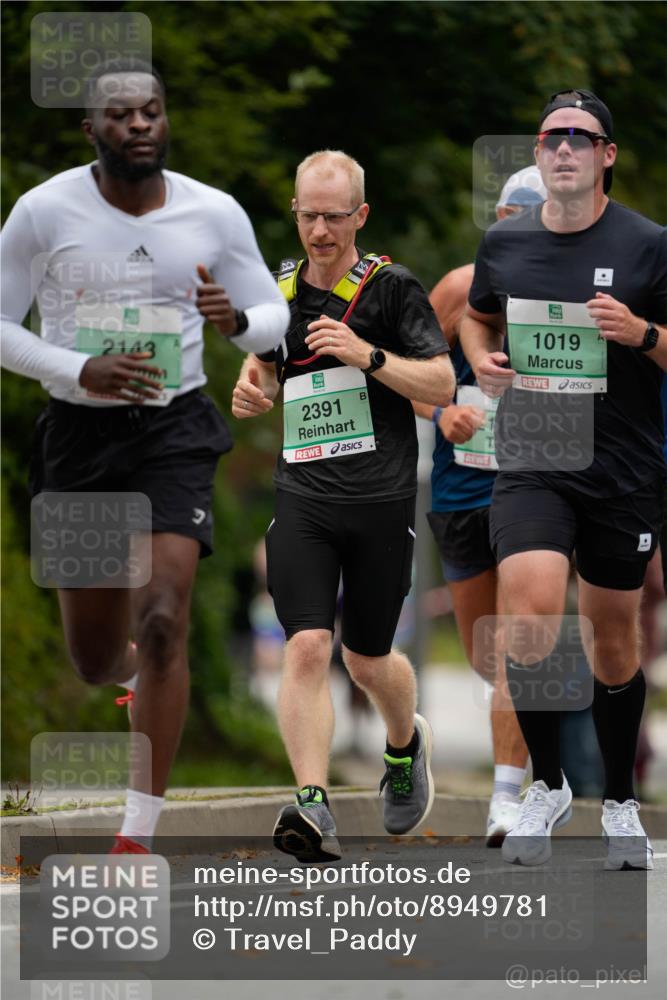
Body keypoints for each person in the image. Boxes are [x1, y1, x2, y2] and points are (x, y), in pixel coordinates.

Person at [0, 62, 289, 854]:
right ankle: (129, 683)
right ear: (89, 130)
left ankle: (138, 832)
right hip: (80, 435)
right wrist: (76, 369)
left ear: (166, 123)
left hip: (174, 432)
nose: (138, 125)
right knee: (96, 659)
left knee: (164, 618)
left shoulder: (213, 214)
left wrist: (236, 320)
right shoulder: (42, 211)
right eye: (121, 115)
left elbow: (273, 318)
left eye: (152, 112)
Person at [460, 89, 666, 869]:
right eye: (552, 138)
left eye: (581, 138)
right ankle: (543, 788)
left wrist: (642, 333)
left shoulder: (650, 245)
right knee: (532, 615)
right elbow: (477, 312)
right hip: (533, 455)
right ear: (538, 156)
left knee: (614, 640)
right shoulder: (505, 246)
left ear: (606, 155)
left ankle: (617, 801)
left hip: (620, 466)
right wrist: (481, 357)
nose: (565, 149)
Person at [232, 149, 455, 862]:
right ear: (293, 212)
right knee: (305, 644)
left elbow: (443, 384)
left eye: (333, 216)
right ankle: (311, 804)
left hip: (381, 499)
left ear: (359, 215)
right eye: (307, 215)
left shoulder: (392, 289)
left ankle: (402, 743)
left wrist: (367, 356)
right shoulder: (278, 287)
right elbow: (263, 363)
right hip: (304, 495)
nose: (320, 230)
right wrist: (252, 387)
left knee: (365, 658)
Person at [414, 167, 546, 847]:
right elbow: (411, 376)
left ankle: (508, 796)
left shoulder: (567, 296)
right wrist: (440, 411)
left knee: (515, 648)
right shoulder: (458, 289)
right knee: (482, 653)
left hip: (536, 491)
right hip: (461, 488)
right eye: (507, 218)